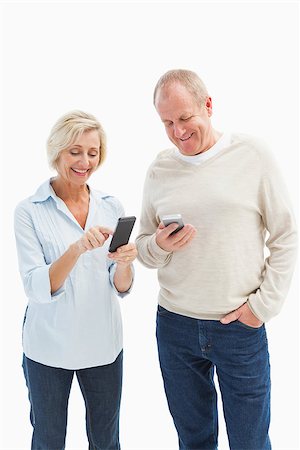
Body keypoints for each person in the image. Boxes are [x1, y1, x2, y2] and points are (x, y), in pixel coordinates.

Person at [135, 69, 297, 450]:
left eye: (185, 118)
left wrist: (262, 307)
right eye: (167, 123)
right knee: (194, 441)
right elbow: (142, 247)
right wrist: (161, 245)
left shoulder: (252, 155)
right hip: (175, 327)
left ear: (208, 106)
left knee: (250, 442)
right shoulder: (160, 167)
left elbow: (287, 235)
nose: (177, 132)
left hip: (238, 328)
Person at [14, 110, 137, 450]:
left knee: (106, 440)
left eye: (93, 153)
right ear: (57, 152)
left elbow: (121, 285)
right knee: (49, 440)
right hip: (48, 348)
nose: (85, 161)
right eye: (75, 151)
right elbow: (36, 286)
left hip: (102, 345)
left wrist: (125, 262)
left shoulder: (111, 206)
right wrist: (77, 248)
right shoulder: (30, 211)